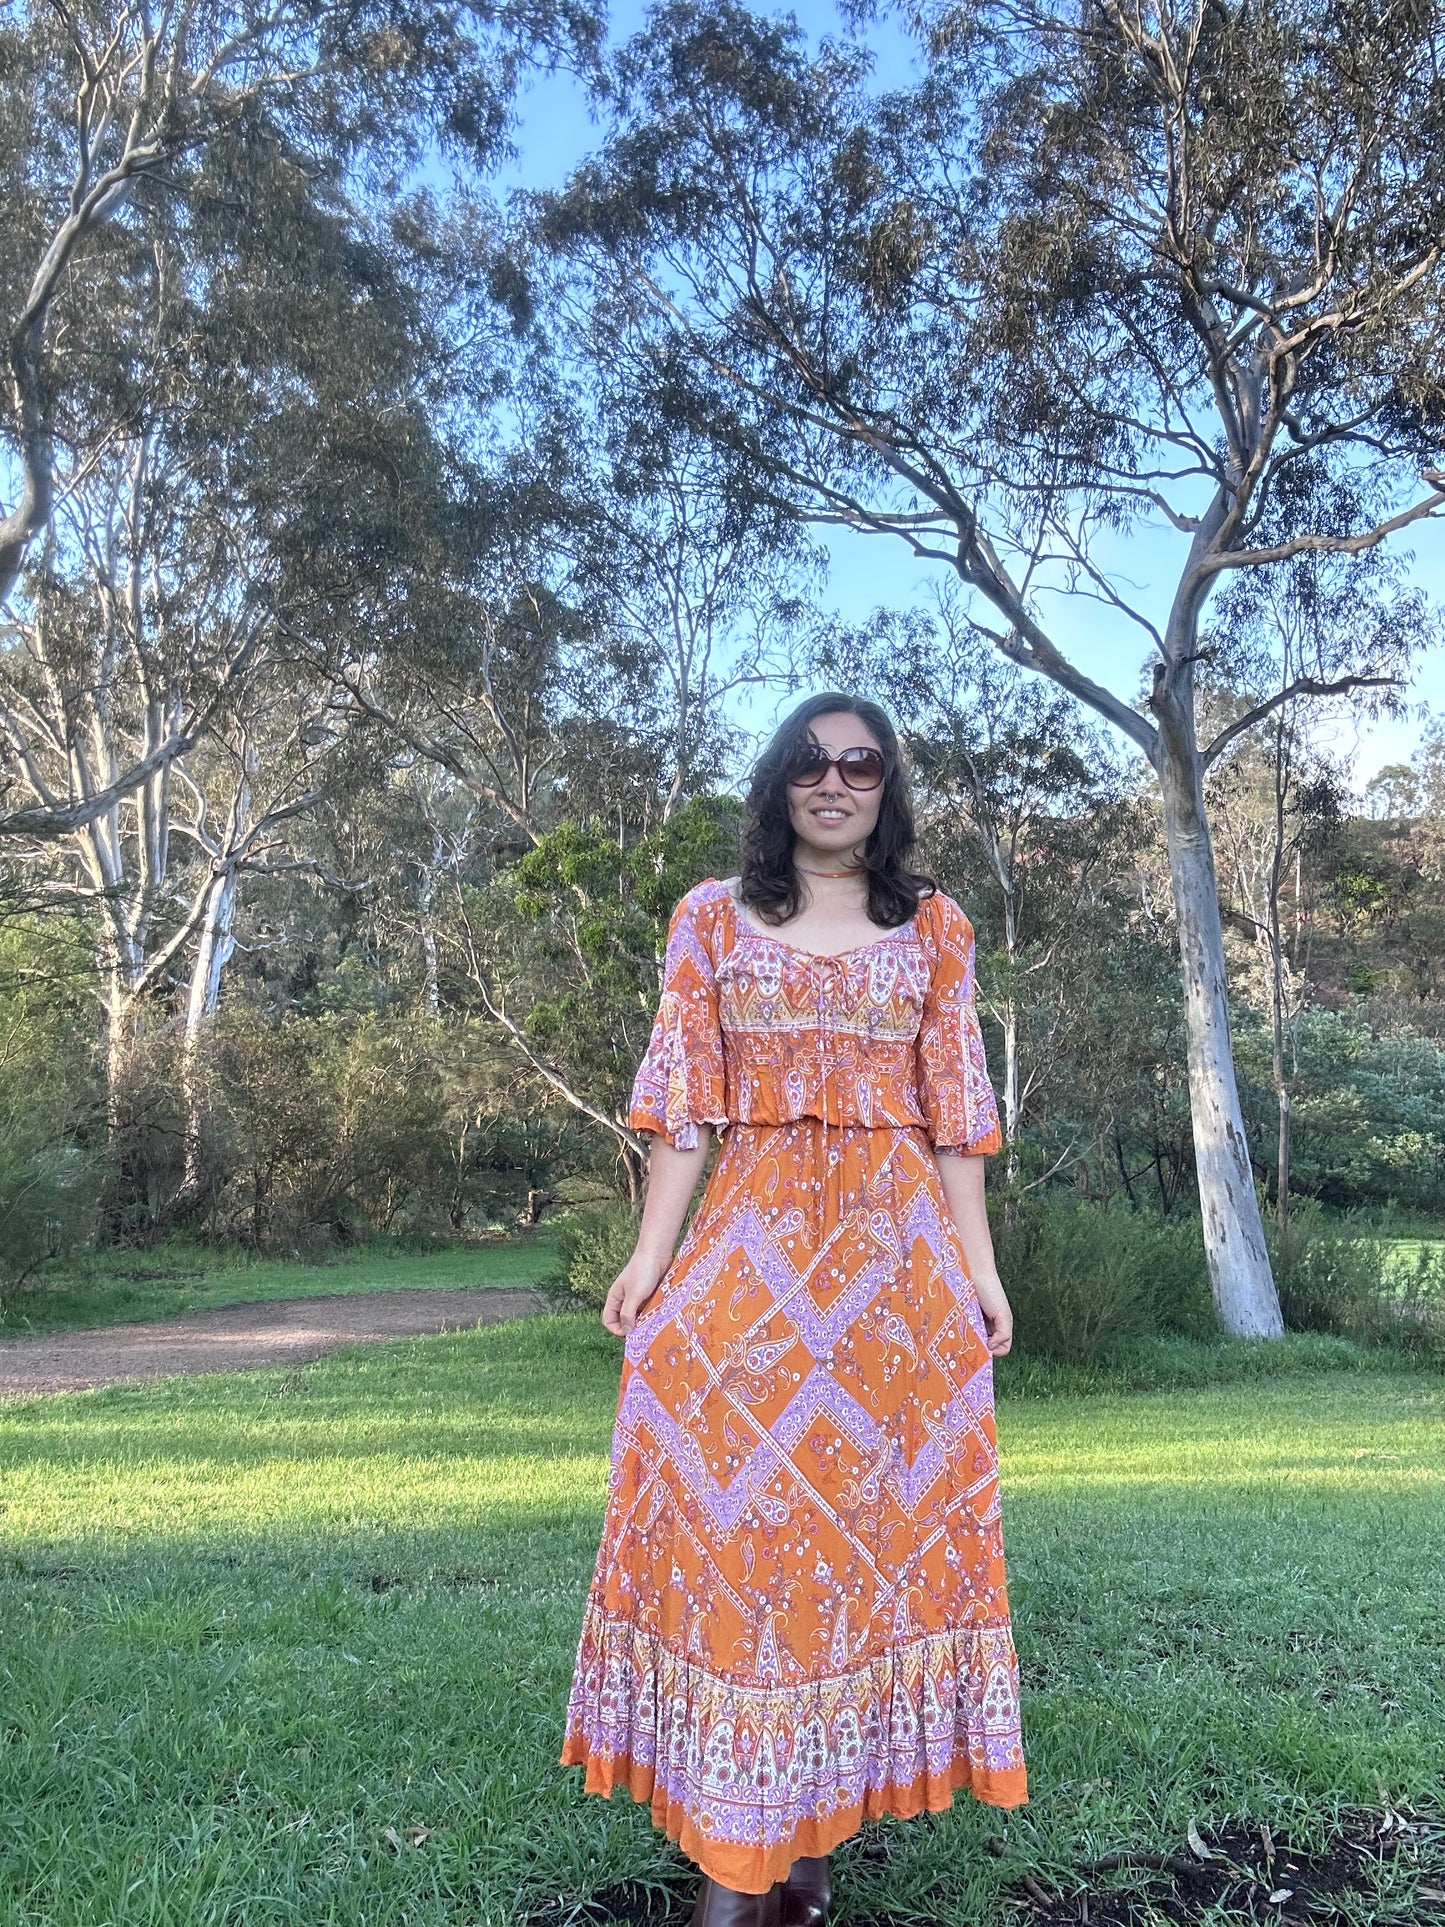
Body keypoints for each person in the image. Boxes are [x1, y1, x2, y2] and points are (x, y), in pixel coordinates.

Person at [561, 694, 1027, 1926]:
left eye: (858, 764)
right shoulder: (710, 918)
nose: (833, 782)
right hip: (750, 1264)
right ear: (777, 783)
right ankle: (740, 1851)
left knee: (856, 1550)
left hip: (892, 1282)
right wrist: (648, 1260)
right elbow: (684, 1112)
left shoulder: (934, 926)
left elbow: (955, 1120)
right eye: (810, 763)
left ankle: (808, 1837)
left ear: (886, 787)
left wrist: (978, 1273)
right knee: (747, 1543)